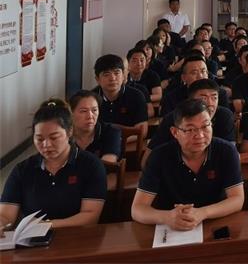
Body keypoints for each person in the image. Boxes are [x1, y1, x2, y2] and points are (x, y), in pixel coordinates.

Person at [131, 99, 244, 231]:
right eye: (190, 129)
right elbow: (137, 209)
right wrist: (167, 217)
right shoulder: (159, 156)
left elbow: (237, 199)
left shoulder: (226, 151)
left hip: (214, 222)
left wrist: (202, 213)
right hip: (172, 227)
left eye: (205, 126)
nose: (200, 135)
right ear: (175, 132)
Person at [0, 99, 106, 228]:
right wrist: (1, 224)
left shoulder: (91, 165)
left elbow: (90, 216)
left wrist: (45, 226)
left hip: (77, 237)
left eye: (54, 137)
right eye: (39, 139)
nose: (46, 145)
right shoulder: (23, 170)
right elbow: (6, 215)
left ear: (69, 132)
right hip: (33, 238)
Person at [147, 79, 235, 156]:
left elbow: (230, 152)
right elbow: (149, 155)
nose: (210, 104)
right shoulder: (174, 118)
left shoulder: (225, 116)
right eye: (204, 98)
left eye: (214, 98)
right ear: (191, 101)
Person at [94, 54, 148, 131]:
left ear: (123, 76)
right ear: (97, 79)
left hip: (130, 139)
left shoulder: (137, 96)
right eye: (106, 74)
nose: (112, 78)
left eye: (116, 73)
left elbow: (141, 131)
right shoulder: (91, 98)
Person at [69, 90, 122, 162]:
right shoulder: (64, 134)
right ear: (71, 113)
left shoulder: (111, 132)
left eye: (94, 110)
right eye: (84, 111)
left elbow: (108, 163)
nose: (90, 116)